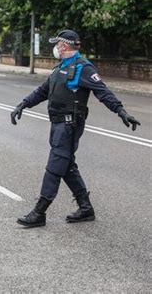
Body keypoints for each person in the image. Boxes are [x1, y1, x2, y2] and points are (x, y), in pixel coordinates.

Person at [11, 30, 140, 228]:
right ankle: (86, 208)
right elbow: (43, 91)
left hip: (70, 125)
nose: (55, 47)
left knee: (55, 165)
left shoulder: (83, 68)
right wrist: (23, 104)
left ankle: (39, 211)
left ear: (63, 45)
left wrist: (121, 111)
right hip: (57, 124)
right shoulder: (60, 67)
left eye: (57, 44)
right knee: (66, 165)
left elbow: (103, 92)